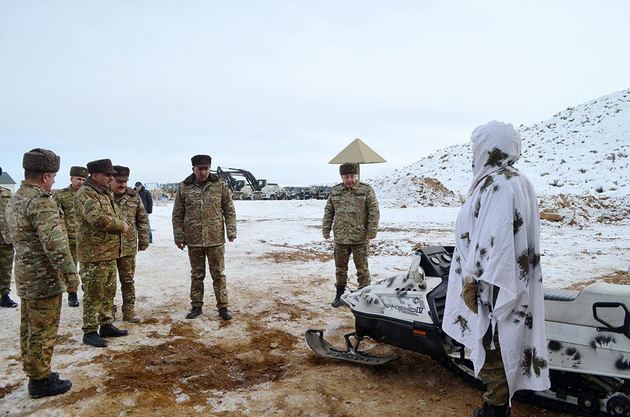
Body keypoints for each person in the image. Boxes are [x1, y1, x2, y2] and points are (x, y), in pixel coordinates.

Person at [442, 121, 550, 417]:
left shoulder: (499, 184)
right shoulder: (514, 180)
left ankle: (496, 407)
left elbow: (496, 239)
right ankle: (497, 403)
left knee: (494, 340)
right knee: (502, 339)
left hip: (492, 281)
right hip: (503, 276)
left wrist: (471, 278)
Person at [5, 148, 79, 398]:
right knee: (43, 329)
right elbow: (56, 244)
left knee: (29, 326)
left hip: (25, 274)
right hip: (43, 277)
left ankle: (35, 369)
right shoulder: (40, 201)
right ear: (46, 176)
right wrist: (71, 277)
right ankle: (40, 380)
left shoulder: (16, 198)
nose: (54, 182)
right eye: (54, 177)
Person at [172, 154, 236, 320]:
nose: (203, 172)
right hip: (194, 240)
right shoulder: (183, 188)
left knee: (218, 274)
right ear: (193, 169)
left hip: (215, 238)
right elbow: (178, 214)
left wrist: (231, 230)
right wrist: (179, 236)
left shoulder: (219, 185)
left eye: (206, 169)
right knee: (197, 275)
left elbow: (229, 209)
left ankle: (223, 307)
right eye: (200, 169)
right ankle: (196, 306)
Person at [75, 159, 129, 347]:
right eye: (108, 175)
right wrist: (121, 226)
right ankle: (89, 331)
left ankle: (106, 324)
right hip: (93, 254)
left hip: (107, 252)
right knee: (93, 293)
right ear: (95, 175)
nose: (111, 178)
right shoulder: (86, 194)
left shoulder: (105, 194)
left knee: (107, 290)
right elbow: (97, 219)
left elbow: (116, 214)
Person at [322, 162, 379, 307]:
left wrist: (372, 230)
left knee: (362, 270)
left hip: (360, 238)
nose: (350, 180)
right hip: (341, 238)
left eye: (352, 176)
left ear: (356, 175)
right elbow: (329, 211)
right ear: (342, 177)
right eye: (346, 177)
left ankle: (365, 295)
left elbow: (374, 211)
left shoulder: (366, 190)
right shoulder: (335, 191)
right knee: (340, 269)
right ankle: (339, 295)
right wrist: (326, 229)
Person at [111, 166, 149, 323]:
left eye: (125, 181)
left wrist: (144, 239)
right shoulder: (104, 197)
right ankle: (108, 313)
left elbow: (142, 219)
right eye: (119, 181)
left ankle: (129, 311)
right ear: (111, 179)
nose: (122, 185)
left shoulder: (134, 197)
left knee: (128, 281)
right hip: (108, 248)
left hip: (128, 246)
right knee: (109, 283)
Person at [53, 165, 88, 307]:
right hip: (69, 240)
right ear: (71, 179)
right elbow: (56, 217)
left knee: (87, 270)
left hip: (86, 240)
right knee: (70, 269)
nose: (81, 182)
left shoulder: (88, 195)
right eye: (78, 179)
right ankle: (72, 294)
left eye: (84, 179)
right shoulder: (61, 195)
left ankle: (89, 293)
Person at [0, 166, 18, 308]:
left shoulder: (6, 193)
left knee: (6, 268)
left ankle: (5, 296)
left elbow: (13, 214)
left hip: (5, 237)